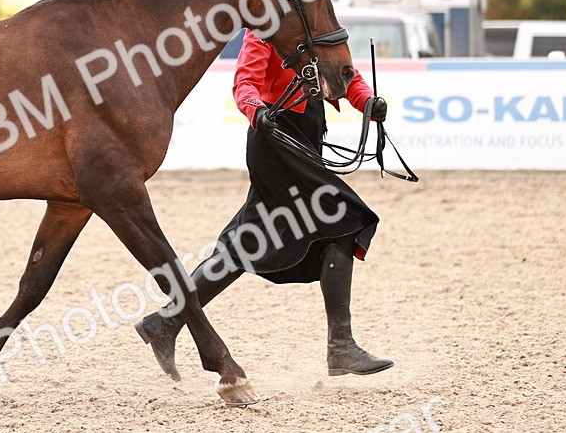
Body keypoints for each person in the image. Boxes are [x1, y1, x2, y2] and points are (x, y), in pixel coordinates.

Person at [135, 28, 394, 381]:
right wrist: (257, 111)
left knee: (249, 241)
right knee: (345, 215)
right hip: (274, 138)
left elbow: (345, 74)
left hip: (305, 139)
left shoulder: (320, 24)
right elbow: (245, 81)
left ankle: (166, 321)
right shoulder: (266, 28)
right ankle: (341, 346)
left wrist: (368, 102)